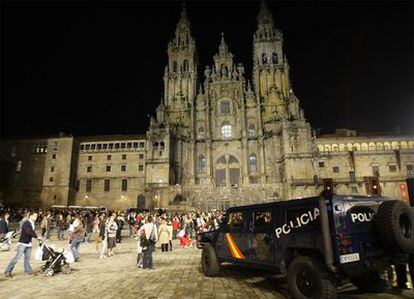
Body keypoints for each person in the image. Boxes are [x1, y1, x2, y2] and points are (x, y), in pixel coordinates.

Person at [4, 211, 42, 277]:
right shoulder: (26, 223)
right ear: (30, 216)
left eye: (36, 216)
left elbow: (32, 232)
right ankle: (8, 271)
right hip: (22, 243)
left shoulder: (32, 223)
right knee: (16, 258)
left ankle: (28, 271)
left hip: (28, 243)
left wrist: (38, 238)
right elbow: (29, 231)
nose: (36, 217)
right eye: (34, 216)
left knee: (27, 259)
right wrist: (37, 237)